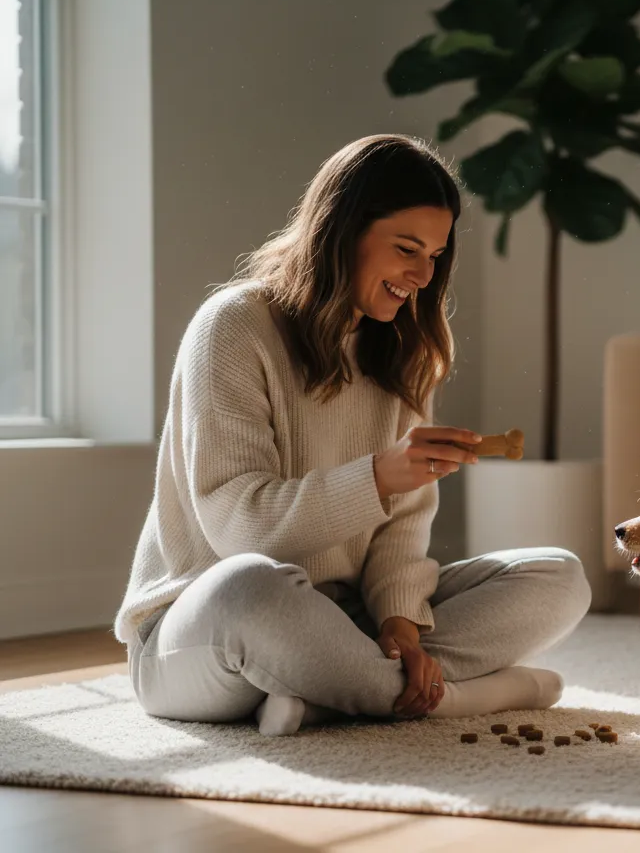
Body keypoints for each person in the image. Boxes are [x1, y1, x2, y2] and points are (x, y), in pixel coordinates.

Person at [115, 134, 591, 736]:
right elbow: (240, 531)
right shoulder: (234, 327)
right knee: (249, 589)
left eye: (436, 256)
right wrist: (378, 476)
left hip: (345, 621)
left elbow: (402, 531)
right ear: (343, 231)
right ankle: (462, 695)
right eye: (407, 249)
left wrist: (398, 624)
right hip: (204, 631)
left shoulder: (402, 353)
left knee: (557, 576)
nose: (422, 275)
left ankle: (330, 691)